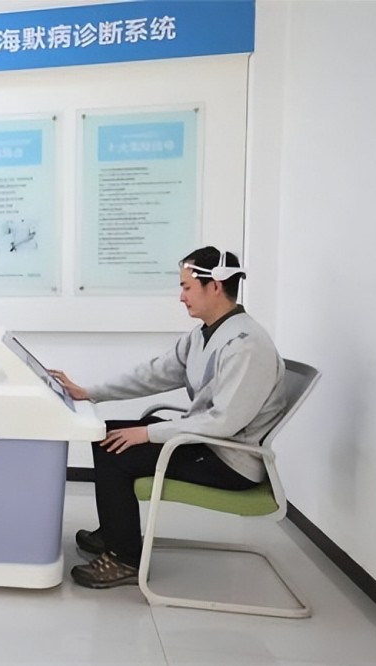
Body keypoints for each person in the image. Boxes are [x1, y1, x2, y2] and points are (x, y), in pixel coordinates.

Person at [48, 246, 288, 589]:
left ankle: (124, 559)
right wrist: (91, 391)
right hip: (206, 442)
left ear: (214, 286)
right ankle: (116, 533)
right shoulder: (205, 333)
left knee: (117, 453)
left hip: (230, 460)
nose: (181, 297)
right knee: (106, 435)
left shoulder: (247, 344)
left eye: (187, 287)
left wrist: (148, 434)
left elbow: (223, 422)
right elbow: (154, 373)